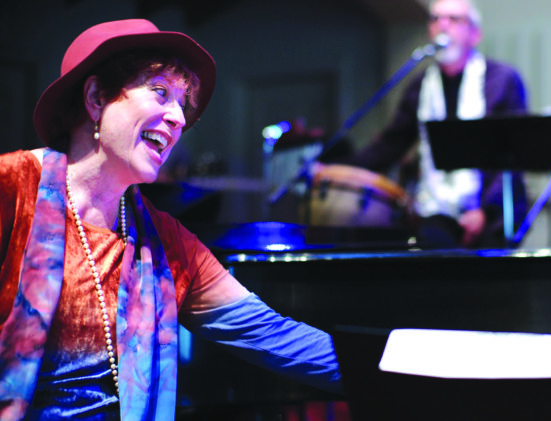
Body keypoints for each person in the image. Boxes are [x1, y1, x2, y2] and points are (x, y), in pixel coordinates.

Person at [0, 19, 342, 420]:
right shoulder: (12, 190)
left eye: (182, 102)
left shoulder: (166, 242)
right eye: (160, 92)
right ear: (95, 97)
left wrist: (404, 364)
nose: (179, 117)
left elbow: (273, 336)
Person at [330, 0, 528, 248]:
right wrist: (332, 168)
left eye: (453, 19)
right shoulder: (421, 86)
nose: (442, 26)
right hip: (437, 210)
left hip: (493, 214)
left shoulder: (501, 80)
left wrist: (486, 211)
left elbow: (514, 155)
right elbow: (390, 146)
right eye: (435, 19)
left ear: (475, 34)